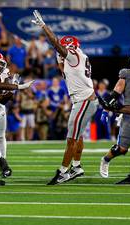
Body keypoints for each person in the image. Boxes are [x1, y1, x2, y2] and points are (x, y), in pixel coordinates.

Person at [31, 10, 98, 185]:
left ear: (74, 47)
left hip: (84, 101)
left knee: (71, 138)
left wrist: (44, 27)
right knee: (78, 135)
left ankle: (63, 172)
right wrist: (60, 59)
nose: (64, 51)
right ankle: (76, 167)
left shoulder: (75, 56)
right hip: (84, 100)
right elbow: (64, 71)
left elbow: (55, 44)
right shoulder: (75, 58)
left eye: (67, 47)